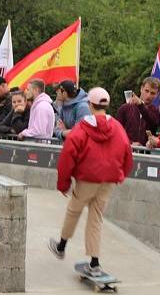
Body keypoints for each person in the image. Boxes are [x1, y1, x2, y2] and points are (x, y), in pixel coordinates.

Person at [48, 87, 134, 277]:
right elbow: (128, 153)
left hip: (87, 179)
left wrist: (63, 183)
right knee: (96, 219)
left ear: (89, 105)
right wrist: (121, 174)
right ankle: (94, 262)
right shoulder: (118, 127)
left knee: (74, 210)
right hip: (108, 180)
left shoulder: (81, 129)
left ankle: (61, 245)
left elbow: (67, 157)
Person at [116, 76, 160, 146]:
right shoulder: (125, 108)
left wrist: (140, 105)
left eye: (152, 93)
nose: (148, 95)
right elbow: (117, 132)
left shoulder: (156, 111)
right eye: (146, 91)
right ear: (141, 89)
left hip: (147, 153)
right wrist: (130, 143)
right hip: (127, 150)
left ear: (157, 94)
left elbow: (153, 122)